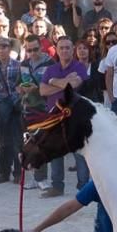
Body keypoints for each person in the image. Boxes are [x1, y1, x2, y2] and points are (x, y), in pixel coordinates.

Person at [38, 36, 89, 197]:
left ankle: (83, 187)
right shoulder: (50, 69)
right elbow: (42, 91)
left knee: (79, 153)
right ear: (57, 50)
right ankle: (57, 187)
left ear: (73, 49)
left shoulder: (79, 67)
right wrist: (63, 83)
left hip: (74, 117)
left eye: (68, 47)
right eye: (62, 48)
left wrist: (53, 82)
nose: (65, 50)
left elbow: (74, 85)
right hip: (54, 116)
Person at [0, 37, 23, 185]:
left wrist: (12, 102)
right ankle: (4, 172)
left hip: (14, 108)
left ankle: (18, 173)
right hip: (0, 109)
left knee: (17, 142)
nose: (1, 50)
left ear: (9, 48)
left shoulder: (18, 65)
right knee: (2, 143)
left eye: (4, 47)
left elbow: (21, 87)